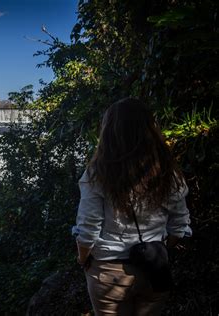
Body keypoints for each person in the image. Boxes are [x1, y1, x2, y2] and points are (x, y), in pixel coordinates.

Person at [73, 98, 192, 315]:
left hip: (109, 272)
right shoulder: (168, 173)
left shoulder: (97, 174)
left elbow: (88, 229)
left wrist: (82, 259)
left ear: (108, 132)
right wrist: (160, 249)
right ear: (149, 129)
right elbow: (180, 226)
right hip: (154, 269)